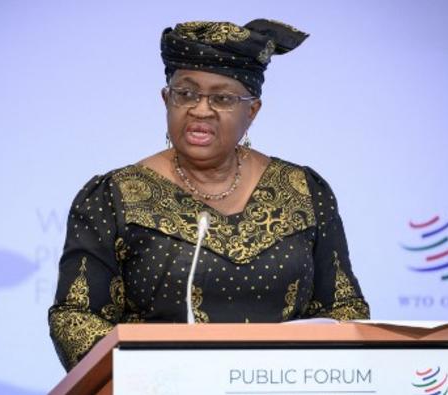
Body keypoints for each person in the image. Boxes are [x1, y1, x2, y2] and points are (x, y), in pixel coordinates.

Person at [48, 19, 370, 371]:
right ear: (166, 100)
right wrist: (154, 377)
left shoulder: (304, 190)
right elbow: (75, 318)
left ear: (252, 110)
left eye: (222, 98)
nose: (201, 110)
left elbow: (345, 308)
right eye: (185, 93)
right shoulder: (113, 196)